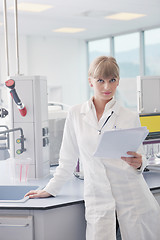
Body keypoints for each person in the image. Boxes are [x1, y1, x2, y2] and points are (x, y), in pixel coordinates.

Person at [25, 56, 160, 240]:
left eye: (112, 80)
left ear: (118, 81)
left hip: (132, 197)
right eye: (100, 80)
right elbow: (67, 160)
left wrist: (139, 163)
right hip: (98, 197)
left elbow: (140, 158)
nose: (107, 87)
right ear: (90, 81)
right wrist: (50, 189)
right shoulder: (76, 114)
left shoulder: (129, 116)